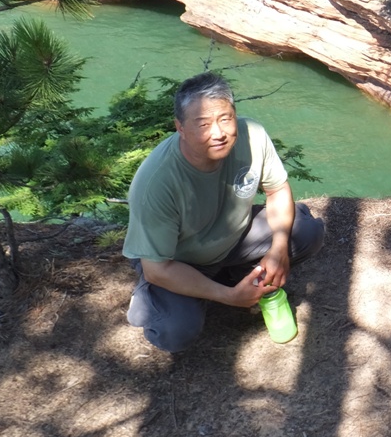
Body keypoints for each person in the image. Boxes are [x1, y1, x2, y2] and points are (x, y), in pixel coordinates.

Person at [122, 72, 325, 353]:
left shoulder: (252, 135)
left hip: (233, 238)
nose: (218, 133)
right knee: (174, 332)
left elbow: (277, 190)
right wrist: (228, 297)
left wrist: (277, 249)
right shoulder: (156, 183)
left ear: (234, 114)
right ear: (180, 128)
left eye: (225, 119)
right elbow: (158, 268)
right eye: (203, 124)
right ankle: (150, 301)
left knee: (307, 231)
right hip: (177, 260)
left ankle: (226, 277)